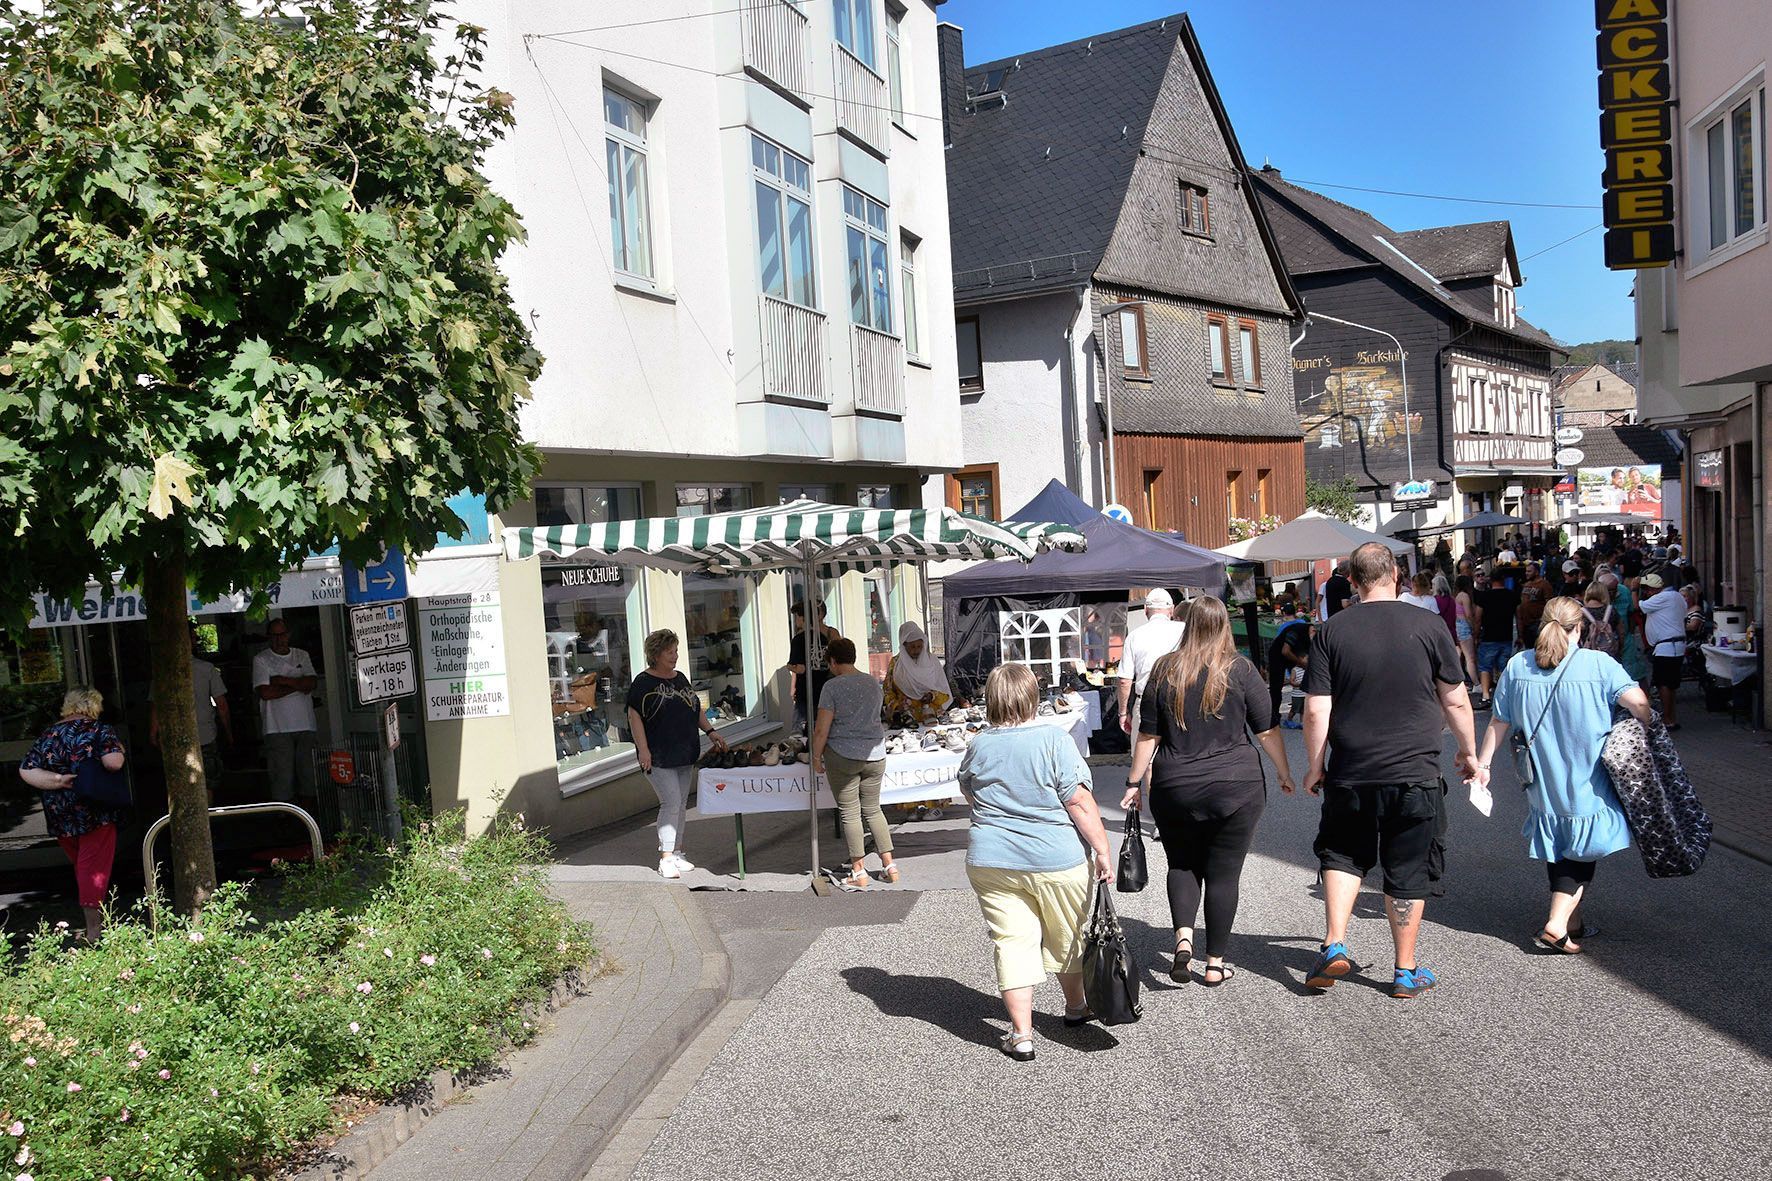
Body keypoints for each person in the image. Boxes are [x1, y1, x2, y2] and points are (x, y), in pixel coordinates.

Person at [1301, 543, 1479, 1000]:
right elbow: (1456, 698)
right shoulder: (1428, 625)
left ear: (1353, 582)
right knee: (1407, 867)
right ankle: (1404, 970)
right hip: (1415, 771)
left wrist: (1315, 765)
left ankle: (1334, 943)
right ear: (1396, 575)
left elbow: (1317, 709)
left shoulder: (1331, 631)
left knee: (1342, 853)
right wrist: (1468, 752)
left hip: (1352, 771)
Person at [1123, 597, 1295, 986]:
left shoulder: (1166, 669)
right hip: (1237, 786)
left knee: (1181, 863)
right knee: (1224, 874)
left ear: (1187, 624)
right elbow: (1266, 728)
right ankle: (1214, 963)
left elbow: (1148, 734)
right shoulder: (1241, 669)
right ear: (1223, 626)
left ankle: (1183, 942)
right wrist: (1284, 771)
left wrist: (1134, 783)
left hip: (1175, 784)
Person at [1473, 598, 1653, 953]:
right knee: (1583, 849)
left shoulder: (1518, 665)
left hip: (1541, 777)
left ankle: (1574, 923)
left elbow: (1499, 721)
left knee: (1560, 842)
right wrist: (1647, 729)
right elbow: (1638, 703)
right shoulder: (1599, 664)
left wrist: (1484, 765)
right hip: (1588, 775)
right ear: (1579, 627)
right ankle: (1556, 924)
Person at [958, 662, 1114, 1062]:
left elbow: (971, 794)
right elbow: (1078, 801)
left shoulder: (979, 744)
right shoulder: (1054, 740)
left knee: (1011, 942)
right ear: (1033, 697)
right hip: (1055, 858)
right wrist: (1101, 848)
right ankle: (1076, 1008)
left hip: (992, 859)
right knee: (1067, 934)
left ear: (991, 700)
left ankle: (1022, 1035)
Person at [17, 687, 127, 942]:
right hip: (95, 811)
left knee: (82, 867)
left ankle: (96, 922)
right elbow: (114, 763)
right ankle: (94, 930)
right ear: (94, 706)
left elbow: (26, 770)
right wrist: (118, 749)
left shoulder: (49, 734)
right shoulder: (100, 730)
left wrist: (58, 780)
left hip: (60, 814)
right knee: (92, 870)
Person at [628, 628, 728, 879]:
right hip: (658, 755)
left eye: (675, 651)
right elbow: (634, 717)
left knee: (681, 805)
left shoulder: (680, 678)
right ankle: (665, 857)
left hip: (684, 751)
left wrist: (711, 731)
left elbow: (695, 708)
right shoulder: (643, 682)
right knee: (670, 803)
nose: (675, 656)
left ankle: (677, 852)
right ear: (656, 654)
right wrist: (643, 750)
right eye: (670, 652)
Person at [811, 637, 897, 890]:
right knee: (873, 809)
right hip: (875, 754)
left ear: (833, 661)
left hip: (843, 754)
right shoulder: (873, 683)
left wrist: (816, 757)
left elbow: (821, 730)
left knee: (850, 812)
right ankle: (890, 866)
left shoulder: (832, 687)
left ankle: (858, 871)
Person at [150, 627, 232, 802]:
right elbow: (222, 705)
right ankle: (206, 820)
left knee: (179, 782)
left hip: (175, 738)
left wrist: (153, 732)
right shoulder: (207, 669)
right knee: (207, 782)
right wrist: (228, 732)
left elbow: (157, 705)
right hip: (205, 736)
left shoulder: (162, 670)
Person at [252, 618, 318, 806]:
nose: (279, 639)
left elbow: (312, 683)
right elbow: (265, 692)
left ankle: (308, 817)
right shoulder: (261, 659)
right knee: (282, 777)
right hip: (276, 728)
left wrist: (282, 680)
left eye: (282, 634)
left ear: (288, 635)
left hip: (306, 724)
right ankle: (284, 819)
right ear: (268, 637)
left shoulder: (301, 655)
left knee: (307, 775)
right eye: (274, 635)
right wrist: (299, 684)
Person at [1117, 588, 1185, 740]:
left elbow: (1124, 681)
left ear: (1145, 609)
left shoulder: (1134, 636)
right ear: (1172, 609)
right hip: (1181, 700)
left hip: (1147, 703)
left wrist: (1123, 713)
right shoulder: (1185, 631)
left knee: (1145, 759)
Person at [1638, 572, 1687, 729]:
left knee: (1663, 684)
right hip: (1674, 647)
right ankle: (1672, 717)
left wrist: (1633, 590)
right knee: (1671, 684)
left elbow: (1639, 607)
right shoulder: (1677, 596)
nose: (1646, 593)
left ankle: (1667, 718)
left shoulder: (1662, 598)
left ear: (1654, 589)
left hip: (1667, 647)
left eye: (1647, 589)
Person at [786, 598, 839, 729]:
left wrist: (789, 666)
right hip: (818, 687)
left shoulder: (828, 633)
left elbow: (799, 667)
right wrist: (793, 686)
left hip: (817, 688)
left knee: (802, 730)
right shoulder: (814, 636)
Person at [883, 621, 950, 724]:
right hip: (906, 719)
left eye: (919, 646)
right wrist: (897, 705)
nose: (916, 650)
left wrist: (932, 696)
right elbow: (888, 691)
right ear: (904, 645)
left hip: (931, 718)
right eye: (912, 647)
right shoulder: (895, 664)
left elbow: (943, 689)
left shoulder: (932, 661)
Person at [1471, 569, 1518, 709]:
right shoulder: (1512, 595)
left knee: (1485, 667)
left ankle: (1486, 696)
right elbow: (1519, 616)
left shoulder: (1485, 596)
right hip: (1506, 636)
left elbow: (1478, 618)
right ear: (1503, 579)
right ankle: (1504, 696)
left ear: (1491, 580)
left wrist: (1476, 635)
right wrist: (1520, 635)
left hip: (1488, 636)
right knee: (1503, 667)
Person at [1266, 606, 1312, 730]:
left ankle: (1309, 711)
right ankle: (1274, 718)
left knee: (1307, 678)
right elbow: (1285, 651)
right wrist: (1301, 664)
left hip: (1293, 655)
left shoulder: (1312, 638)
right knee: (1276, 687)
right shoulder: (1296, 631)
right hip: (1277, 655)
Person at [1516, 561, 1555, 649]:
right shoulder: (1526, 585)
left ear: (1537, 572)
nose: (1526, 573)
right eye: (1526, 571)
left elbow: (1549, 603)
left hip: (1537, 623)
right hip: (1525, 623)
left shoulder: (1544, 585)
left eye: (1529, 571)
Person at [1580, 583, 1623, 659]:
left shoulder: (1580, 614)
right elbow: (1621, 633)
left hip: (1589, 656)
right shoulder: (1612, 611)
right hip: (1609, 656)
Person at [1453, 574, 1480, 687]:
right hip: (1464, 626)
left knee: (1459, 657)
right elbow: (1468, 615)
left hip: (1457, 626)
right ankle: (1477, 684)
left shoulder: (1456, 596)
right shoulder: (1465, 596)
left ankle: (1460, 682)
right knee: (1470, 658)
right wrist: (1474, 628)